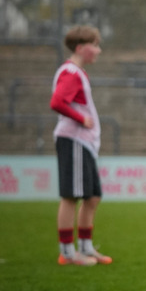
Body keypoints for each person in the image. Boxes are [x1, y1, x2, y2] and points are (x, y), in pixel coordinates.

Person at [50, 25, 111, 266]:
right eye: (94, 45)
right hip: (73, 140)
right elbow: (57, 101)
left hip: (84, 143)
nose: (98, 50)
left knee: (93, 196)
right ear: (80, 48)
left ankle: (85, 248)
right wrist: (81, 119)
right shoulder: (71, 73)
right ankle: (67, 253)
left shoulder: (78, 73)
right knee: (71, 196)